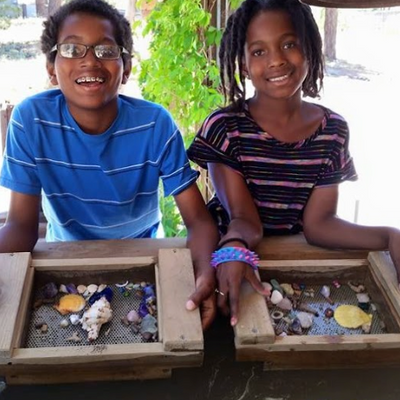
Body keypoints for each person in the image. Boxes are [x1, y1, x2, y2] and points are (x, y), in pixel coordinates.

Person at [0, 0, 219, 329]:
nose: (89, 61)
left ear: (126, 67)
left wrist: (205, 274)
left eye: (105, 50)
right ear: (51, 67)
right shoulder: (30, 121)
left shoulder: (154, 125)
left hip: (143, 254)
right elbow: (20, 228)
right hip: (66, 258)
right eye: (72, 49)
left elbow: (199, 222)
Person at [187, 0, 400, 327]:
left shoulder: (332, 131)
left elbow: (319, 224)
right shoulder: (226, 128)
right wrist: (233, 249)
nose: (276, 60)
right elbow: (244, 219)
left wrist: (388, 236)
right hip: (228, 253)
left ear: (310, 49)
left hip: (294, 262)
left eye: (289, 44)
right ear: (242, 64)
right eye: (258, 52)